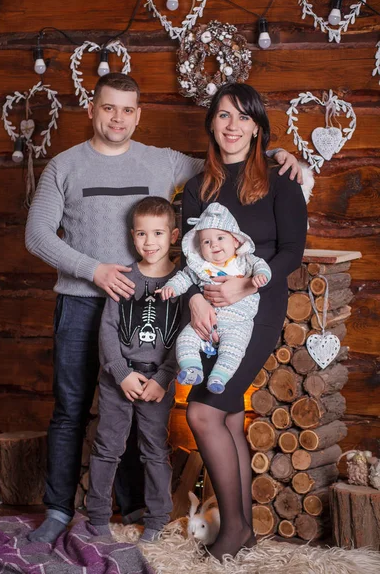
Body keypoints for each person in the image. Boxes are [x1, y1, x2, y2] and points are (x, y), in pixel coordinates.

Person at [24, 71, 302, 543]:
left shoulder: (165, 161)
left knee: (149, 405)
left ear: (138, 115)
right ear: (92, 110)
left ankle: (140, 511)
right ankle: (57, 510)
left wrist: (279, 153)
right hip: (83, 299)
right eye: (108, 107)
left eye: (127, 109)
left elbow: (232, 162)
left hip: (153, 305)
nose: (118, 117)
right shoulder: (64, 166)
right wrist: (96, 271)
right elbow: (36, 235)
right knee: (73, 410)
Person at [180, 83, 308, 561]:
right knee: (228, 414)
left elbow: (292, 250)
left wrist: (245, 285)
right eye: (222, 116)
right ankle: (245, 531)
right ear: (212, 124)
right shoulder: (198, 187)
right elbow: (186, 256)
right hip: (208, 313)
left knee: (202, 411)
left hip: (257, 309)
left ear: (257, 126)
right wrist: (195, 299)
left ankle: (232, 530)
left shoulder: (280, 181)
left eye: (242, 117)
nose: (231, 126)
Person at [86, 196, 180, 543]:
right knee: (107, 446)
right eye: (141, 234)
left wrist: (163, 379)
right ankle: (96, 515)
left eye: (157, 233)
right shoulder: (124, 279)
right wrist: (119, 371)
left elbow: (183, 339)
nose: (149, 242)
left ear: (173, 236)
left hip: (157, 381)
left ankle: (156, 519)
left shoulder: (182, 286)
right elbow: (107, 330)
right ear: (132, 236)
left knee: (155, 449)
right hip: (117, 378)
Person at [158, 202, 271, 394]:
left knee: (234, 349)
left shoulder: (244, 261)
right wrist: (171, 288)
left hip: (238, 322)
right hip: (206, 321)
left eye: (220, 238)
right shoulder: (201, 266)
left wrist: (260, 276)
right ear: (200, 248)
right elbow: (184, 278)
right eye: (206, 242)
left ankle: (219, 377)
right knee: (185, 339)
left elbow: (262, 266)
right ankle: (192, 368)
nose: (214, 245)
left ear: (235, 241)